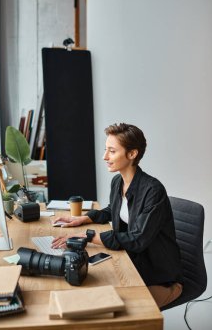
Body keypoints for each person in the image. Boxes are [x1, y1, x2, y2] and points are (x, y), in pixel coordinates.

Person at [52, 123, 183, 308]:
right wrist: (85, 218)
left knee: (105, 304)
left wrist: (90, 236)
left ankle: (168, 293)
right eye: (106, 150)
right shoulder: (118, 181)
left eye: (112, 151)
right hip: (134, 260)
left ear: (132, 154)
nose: (105, 157)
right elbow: (113, 210)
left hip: (159, 274)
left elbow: (139, 238)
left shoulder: (153, 190)